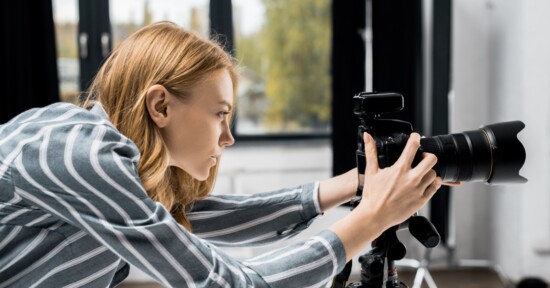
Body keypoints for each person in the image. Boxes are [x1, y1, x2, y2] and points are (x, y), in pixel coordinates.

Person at [0, 21, 447, 287]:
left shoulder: (89, 145)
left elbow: (191, 216)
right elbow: (226, 283)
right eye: (220, 114)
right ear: (160, 106)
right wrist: (371, 218)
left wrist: (355, 185)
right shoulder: (82, 159)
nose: (228, 137)